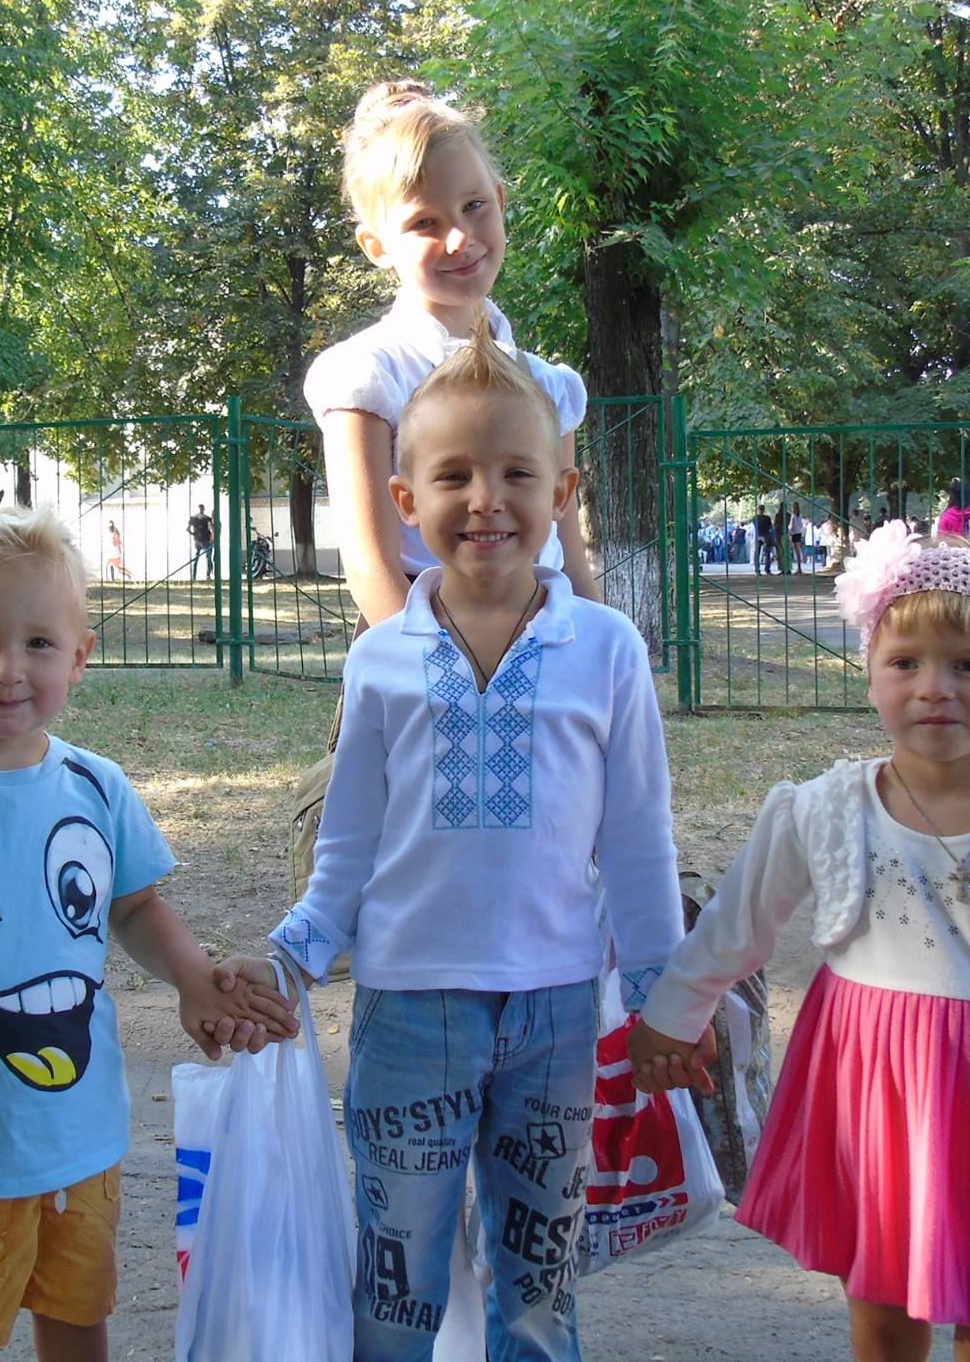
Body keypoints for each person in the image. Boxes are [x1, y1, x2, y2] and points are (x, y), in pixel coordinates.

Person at [227, 340, 683, 1362]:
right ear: (405, 499)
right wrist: (291, 957)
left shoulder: (607, 649)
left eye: (517, 472)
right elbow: (347, 847)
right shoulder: (378, 658)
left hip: (556, 1014)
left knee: (538, 1292)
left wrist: (665, 996)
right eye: (453, 475)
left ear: (560, 492)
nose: (486, 500)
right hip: (408, 1015)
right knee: (396, 1288)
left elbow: (636, 839)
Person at [628, 524, 970, 1362]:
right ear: (871, 672)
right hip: (871, 1094)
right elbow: (737, 925)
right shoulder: (820, 810)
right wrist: (672, 1014)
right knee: (880, 1315)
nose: (934, 688)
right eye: (905, 662)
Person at [0, 506, 295, 1362]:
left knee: (78, 1318)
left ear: (79, 657)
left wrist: (194, 980)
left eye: (39, 644)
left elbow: (135, 908)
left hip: (83, 1136)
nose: (8, 670)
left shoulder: (97, 788)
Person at [305, 78, 601, 630]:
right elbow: (372, 569)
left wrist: (600, 652)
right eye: (425, 223)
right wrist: (447, 669)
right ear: (377, 245)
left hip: (545, 645)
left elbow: (568, 557)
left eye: (474, 206)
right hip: (416, 646)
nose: (460, 238)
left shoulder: (548, 386)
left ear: (501, 200)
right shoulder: (368, 375)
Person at [187, 503, 215, 580]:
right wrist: (212, 538)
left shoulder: (193, 518)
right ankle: (208, 575)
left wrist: (194, 534)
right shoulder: (207, 518)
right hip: (206, 540)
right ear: (203, 509)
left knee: (196, 558)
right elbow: (212, 529)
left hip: (198, 540)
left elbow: (188, 529)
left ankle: (194, 576)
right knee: (208, 558)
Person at [754, 506, 777, 575]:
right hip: (766, 536)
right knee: (767, 553)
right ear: (764, 510)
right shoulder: (767, 518)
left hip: (758, 536)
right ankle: (767, 570)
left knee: (757, 553)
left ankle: (757, 569)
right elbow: (770, 527)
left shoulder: (755, 518)